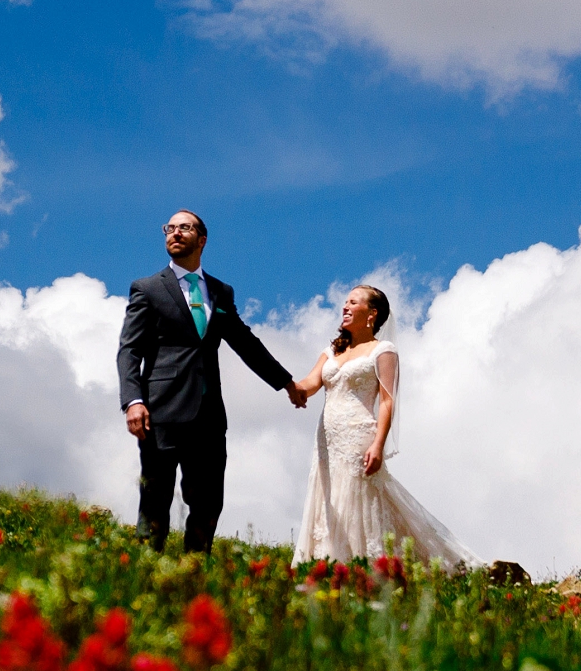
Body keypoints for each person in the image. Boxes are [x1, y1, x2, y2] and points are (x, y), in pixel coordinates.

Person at [117, 210, 303, 553]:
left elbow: (244, 342)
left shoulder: (220, 291)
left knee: (207, 503)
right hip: (160, 412)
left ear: (201, 239)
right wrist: (133, 400)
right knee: (155, 499)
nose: (174, 233)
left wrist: (286, 382)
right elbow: (129, 351)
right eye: (169, 228)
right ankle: (143, 572)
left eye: (183, 227)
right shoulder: (147, 289)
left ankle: (193, 573)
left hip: (208, 416)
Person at [289, 284, 467, 569]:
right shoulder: (331, 351)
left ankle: (364, 563)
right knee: (328, 492)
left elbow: (386, 401)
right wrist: (287, 384)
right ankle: (327, 559)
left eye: (353, 302)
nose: (345, 307)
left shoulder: (383, 351)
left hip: (358, 435)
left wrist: (378, 444)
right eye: (345, 302)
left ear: (372, 313)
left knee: (359, 497)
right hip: (327, 439)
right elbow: (310, 384)